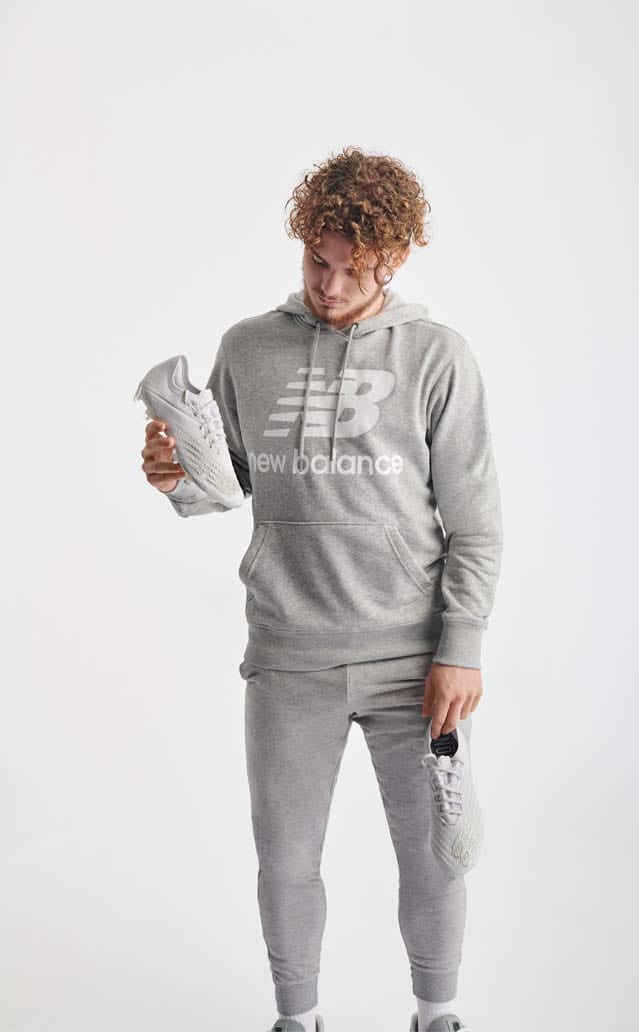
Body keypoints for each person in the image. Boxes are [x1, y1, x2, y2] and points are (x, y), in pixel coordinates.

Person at [139, 145, 504, 1032]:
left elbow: (477, 522)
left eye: (355, 268)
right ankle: (296, 1019)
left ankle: (437, 1015)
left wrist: (461, 647)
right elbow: (222, 486)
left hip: (412, 660)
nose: (331, 286)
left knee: (434, 859)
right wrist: (171, 476)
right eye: (317, 261)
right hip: (289, 653)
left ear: (397, 258)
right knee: (287, 862)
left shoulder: (437, 357)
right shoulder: (249, 348)